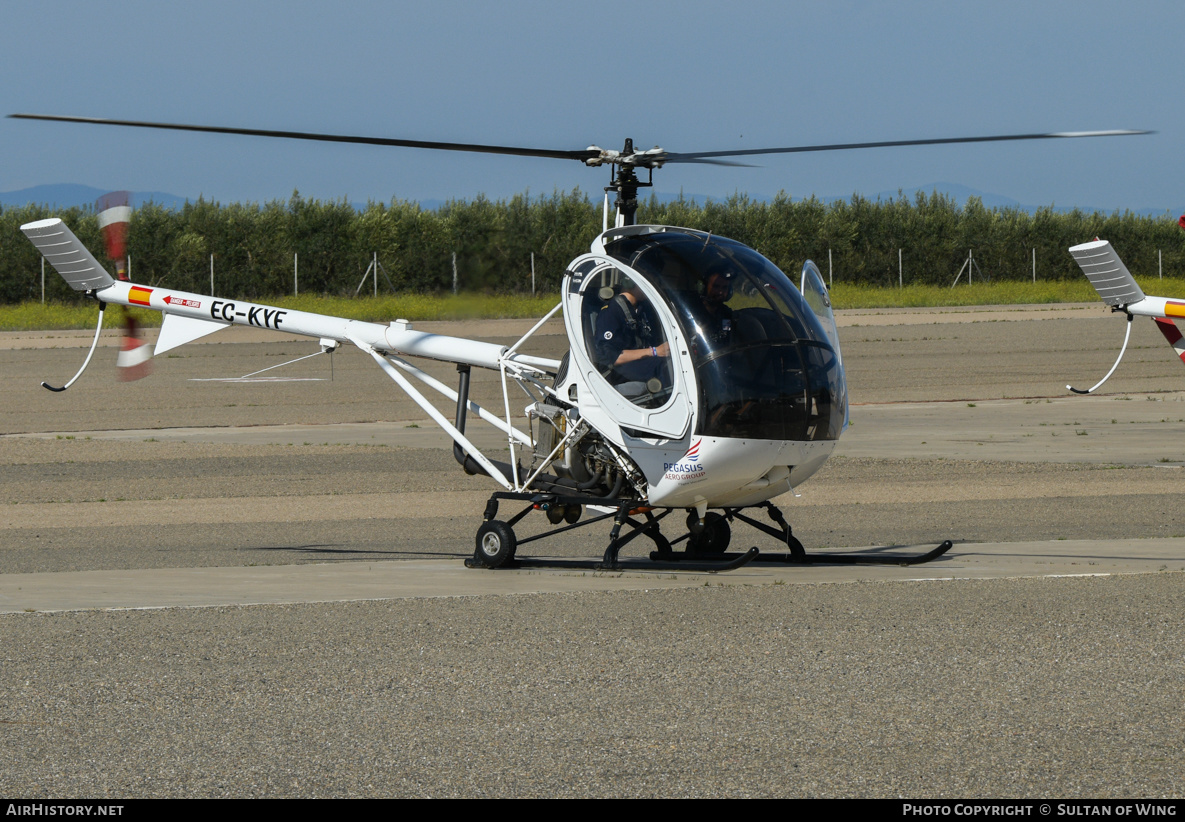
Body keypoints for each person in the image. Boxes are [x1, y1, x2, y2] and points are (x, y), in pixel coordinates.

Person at [593, 283, 670, 392]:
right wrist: (654, 351)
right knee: (664, 366)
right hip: (615, 370)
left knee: (674, 361)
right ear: (629, 282)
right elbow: (613, 357)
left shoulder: (642, 309)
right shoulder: (611, 312)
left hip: (638, 362)